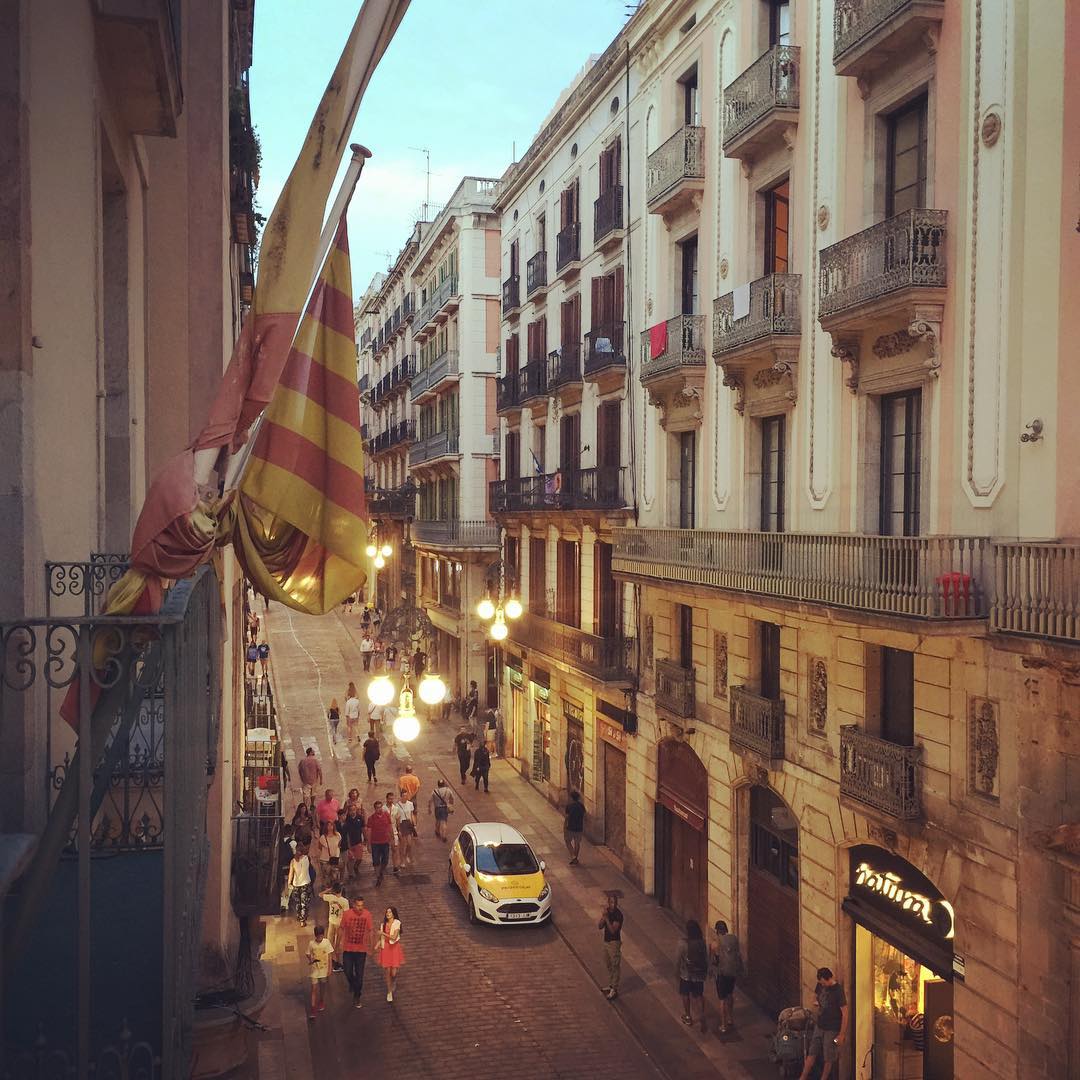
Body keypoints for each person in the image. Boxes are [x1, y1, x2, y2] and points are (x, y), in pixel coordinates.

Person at [800, 968, 848, 1080]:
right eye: (820, 983)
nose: (822, 985)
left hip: (832, 1029)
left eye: (823, 982)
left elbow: (845, 1013)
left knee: (828, 1057)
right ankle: (803, 1077)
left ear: (829, 979)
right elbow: (816, 996)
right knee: (812, 1051)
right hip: (820, 1025)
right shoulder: (821, 985)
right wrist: (816, 1005)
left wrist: (841, 1034)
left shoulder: (838, 991)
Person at [339, 896, 374, 1008]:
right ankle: (353, 984)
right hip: (348, 949)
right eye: (358, 906)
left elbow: (370, 930)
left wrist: (371, 946)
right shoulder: (347, 914)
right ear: (353, 905)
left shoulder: (367, 915)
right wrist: (338, 942)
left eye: (362, 905)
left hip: (361, 950)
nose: (360, 908)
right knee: (348, 971)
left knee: (360, 975)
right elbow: (341, 928)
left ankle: (357, 995)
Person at [676, 920, 709, 1032]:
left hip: (686, 974)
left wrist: (676, 973)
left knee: (685, 994)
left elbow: (678, 960)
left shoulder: (682, 943)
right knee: (699, 995)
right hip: (698, 974)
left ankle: (688, 1016)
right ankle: (702, 1015)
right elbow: (705, 958)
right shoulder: (702, 943)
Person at [711, 920, 743, 1034]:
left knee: (722, 999)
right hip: (732, 973)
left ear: (717, 930)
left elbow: (714, 960)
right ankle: (730, 1018)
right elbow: (738, 954)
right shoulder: (734, 939)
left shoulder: (715, 943)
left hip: (722, 974)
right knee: (730, 995)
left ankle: (723, 1025)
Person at [598, 893, 624, 1001]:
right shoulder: (607, 912)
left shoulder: (618, 915)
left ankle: (614, 988)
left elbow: (613, 930)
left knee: (615, 965)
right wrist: (603, 918)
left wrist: (607, 918)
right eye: (611, 902)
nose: (613, 904)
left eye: (615, 902)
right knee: (608, 963)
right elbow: (599, 926)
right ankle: (611, 984)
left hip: (614, 942)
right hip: (606, 941)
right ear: (608, 903)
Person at [306, 925, 335, 1019]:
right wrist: (311, 959)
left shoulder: (326, 943)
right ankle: (313, 1008)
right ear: (315, 936)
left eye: (321, 936)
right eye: (318, 936)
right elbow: (308, 953)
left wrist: (330, 968)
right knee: (314, 988)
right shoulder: (311, 944)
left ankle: (321, 1000)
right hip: (315, 969)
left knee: (322, 986)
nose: (320, 938)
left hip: (324, 969)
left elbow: (330, 955)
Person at [376, 906, 404, 1003]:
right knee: (387, 971)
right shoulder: (383, 925)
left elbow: (393, 937)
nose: (388, 914)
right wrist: (378, 944)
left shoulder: (397, 923)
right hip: (386, 949)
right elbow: (382, 938)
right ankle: (389, 992)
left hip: (394, 948)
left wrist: (382, 933)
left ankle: (394, 980)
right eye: (387, 912)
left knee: (394, 973)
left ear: (393, 914)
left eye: (390, 912)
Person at [319, 885, 349, 972]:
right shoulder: (344, 901)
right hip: (339, 924)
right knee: (337, 944)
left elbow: (320, 894)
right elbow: (346, 915)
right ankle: (336, 963)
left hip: (331, 922)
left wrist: (328, 890)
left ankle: (330, 962)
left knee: (329, 942)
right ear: (341, 890)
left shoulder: (330, 897)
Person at [366, 799, 393, 886]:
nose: (379, 809)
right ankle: (378, 877)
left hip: (385, 842)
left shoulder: (387, 815)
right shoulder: (371, 819)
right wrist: (368, 844)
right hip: (375, 843)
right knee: (376, 861)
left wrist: (392, 837)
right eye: (377, 808)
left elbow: (390, 826)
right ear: (375, 809)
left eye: (380, 807)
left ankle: (381, 871)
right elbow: (369, 831)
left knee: (385, 860)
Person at [287, 847, 313, 926]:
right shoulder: (307, 858)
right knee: (304, 903)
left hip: (296, 884)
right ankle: (303, 920)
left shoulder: (293, 861)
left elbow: (291, 873)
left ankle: (299, 916)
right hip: (305, 883)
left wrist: (289, 883)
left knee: (298, 903)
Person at [392, 790, 417, 869]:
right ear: (401, 796)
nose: (405, 797)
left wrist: (414, 824)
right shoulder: (397, 806)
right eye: (404, 795)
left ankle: (406, 855)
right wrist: (398, 828)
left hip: (408, 824)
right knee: (403, 844)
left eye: (406, 795)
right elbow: (397, 817)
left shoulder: (410, 804)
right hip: (402, 824)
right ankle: (402, 860)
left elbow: (411, 814)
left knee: (409, 843)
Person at [343, 804, 366, 882]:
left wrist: (365, 838)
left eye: (354, 810)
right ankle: (350, 874)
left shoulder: (360, 818)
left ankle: (356, 867)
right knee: (350, 859)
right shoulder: (346, 820)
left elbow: (363, 828)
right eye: (351, 810)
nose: (352, 812)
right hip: (350, 842)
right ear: (348, 811)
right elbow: (345, 833)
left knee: (359, 858)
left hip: (358, 841)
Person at [315, 819, 341, 887]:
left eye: (331, 825)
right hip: (325, 860)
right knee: (327, 877)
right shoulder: (323, 837)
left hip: (335, 858)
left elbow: (338, 844)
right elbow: (320, 847)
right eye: (328, 825)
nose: (330, 827)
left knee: (335, 877)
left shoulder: (338, 835)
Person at [564, 790, 586, 865]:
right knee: (577, 843)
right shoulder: (581, 806)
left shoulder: (569, 806)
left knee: (567, 841)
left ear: (571, 798)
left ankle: (573, 856)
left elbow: (567, 817)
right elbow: (584, 816)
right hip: (579, 827)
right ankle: (575, 858)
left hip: (570, 827)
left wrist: (564, 827)